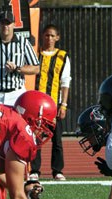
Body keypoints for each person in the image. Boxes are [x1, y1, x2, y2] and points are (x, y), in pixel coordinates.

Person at [30, 24, 71, 181]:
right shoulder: (34, 54)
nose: (49, 38)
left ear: (57, 38)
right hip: (36, 105)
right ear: (42, 36)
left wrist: (64, 104)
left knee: (57, 140)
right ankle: (34, 170)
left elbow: (65, 81)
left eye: (52, 35)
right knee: (36, 138)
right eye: (47, 35)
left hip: (54, 104)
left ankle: (57, 170)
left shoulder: (63, 56)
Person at [0, 10, 40, 106]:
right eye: (3, 23)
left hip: (16, 94)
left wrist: (17, 69)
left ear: (14, 25)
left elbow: (36, 68)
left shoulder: (23, 42)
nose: (5, 26)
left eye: (8, 23)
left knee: (18, 121)